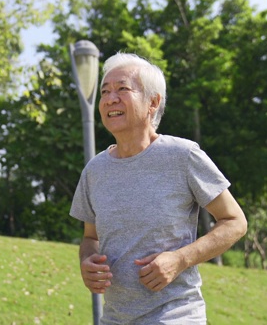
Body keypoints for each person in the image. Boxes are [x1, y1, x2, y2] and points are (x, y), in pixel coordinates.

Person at [69, 52, 247, 324]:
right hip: (114, 318)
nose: (110, 99)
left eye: (122, 89)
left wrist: (180, 259)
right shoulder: (95, 170)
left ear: (153, 102)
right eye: (105, 91)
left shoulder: (183, 156)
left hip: (175, 315)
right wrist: (88, 262)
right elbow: (90, 238)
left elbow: (235, 222)